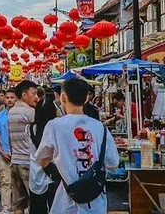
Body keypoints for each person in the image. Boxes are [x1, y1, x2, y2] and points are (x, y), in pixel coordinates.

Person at [35, 78, 120, 214]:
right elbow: (113, 163)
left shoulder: (54, 126)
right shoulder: (100, 128)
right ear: (86, 98)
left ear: (63, 97)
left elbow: (43, 160)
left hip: (66, 200)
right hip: (96, 201)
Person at [7, 80, 38, 214]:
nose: (36, 97)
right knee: (36, 201)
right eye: (34, 94)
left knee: (18, 203)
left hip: (15, 161)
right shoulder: (30, 112)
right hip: (27, 162)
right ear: (24, 95)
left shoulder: (11, 111)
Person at [28, 92, 60, 214]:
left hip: (36, 175)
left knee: (37, 209)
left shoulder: (29, 129)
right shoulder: (57, 129)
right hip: (54, 174)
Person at [0, 88, 16, 214]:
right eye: (7, 97)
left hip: (19, 155)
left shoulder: (22, 116)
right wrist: (1, 152)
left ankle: (19, 208)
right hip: (2, 154)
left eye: (12, 97)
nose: (9, 100)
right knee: (5, 182)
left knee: (18, 183)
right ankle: (6, 207)